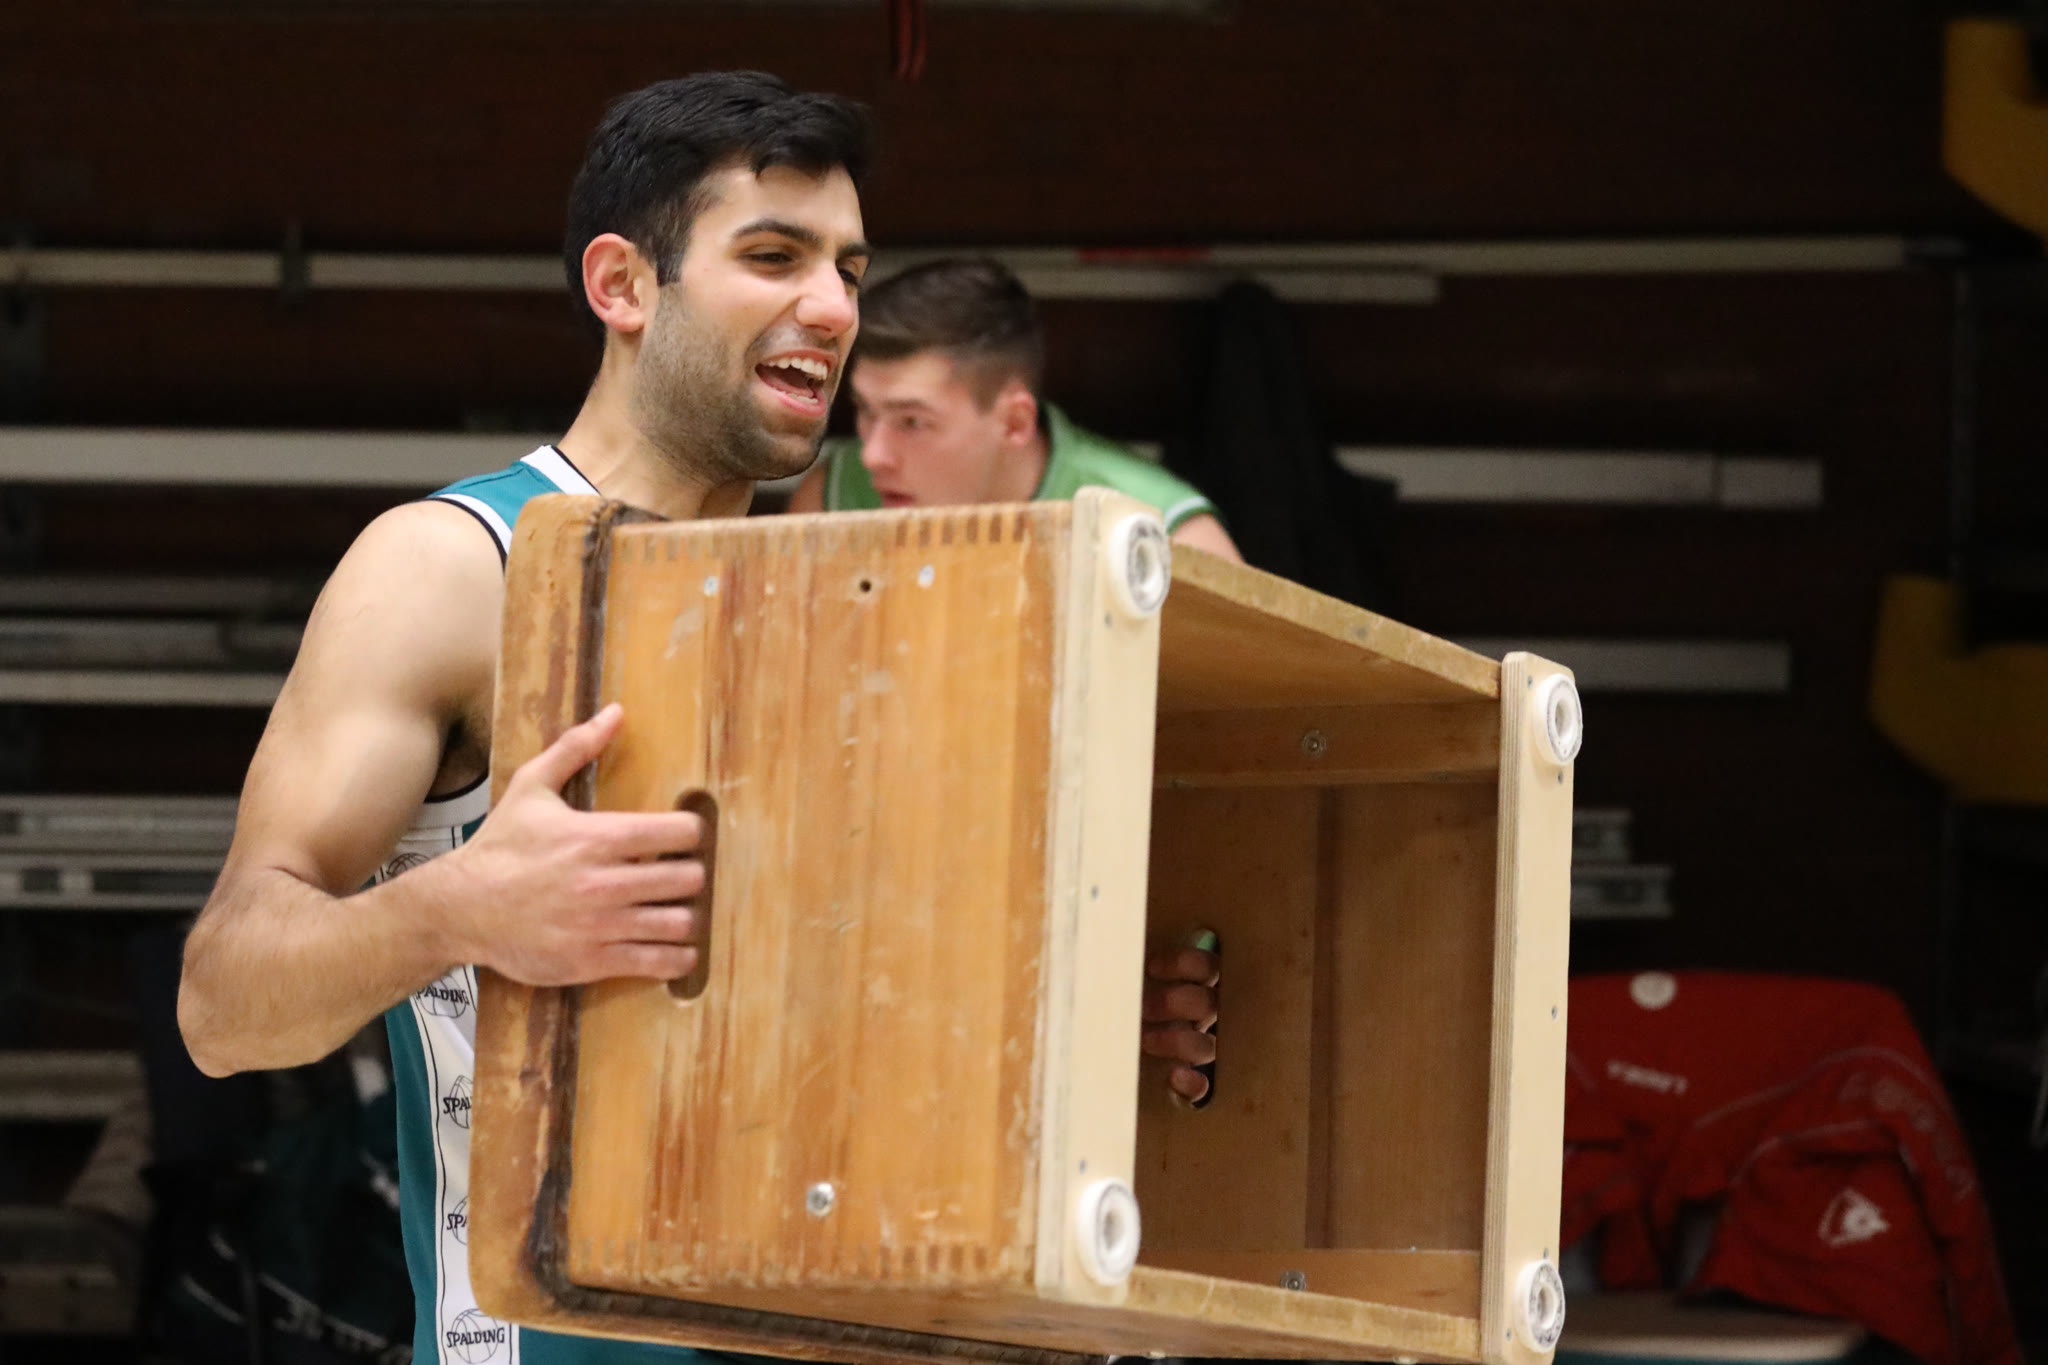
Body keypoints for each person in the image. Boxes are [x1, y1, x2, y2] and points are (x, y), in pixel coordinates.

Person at [177, 72, 1216, 1365]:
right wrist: (455, 910)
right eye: (774, 256)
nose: (832, 307)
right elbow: (222, 1007)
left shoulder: (855, 609)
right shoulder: (452, 567)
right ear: (622, 285)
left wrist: (1084, 1028)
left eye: (848, 268)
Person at [785, 258, 1243, 563]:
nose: (873, 455)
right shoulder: (834, 498)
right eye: (866, 412)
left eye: (912, 422)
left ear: (1015, 422)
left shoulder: (1165, 534)